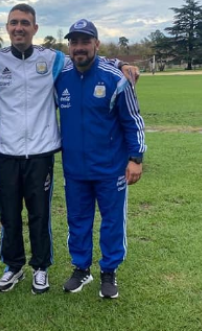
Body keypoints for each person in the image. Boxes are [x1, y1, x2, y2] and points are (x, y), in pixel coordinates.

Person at [0, 3, 140, 295]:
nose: (19, 27)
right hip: (6, 154)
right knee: (8, 215)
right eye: (13, 23)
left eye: (25, 23)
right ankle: (13, 266)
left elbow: (85, 56)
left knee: (39, 214)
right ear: (7, 28)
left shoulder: (54, 59)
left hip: (41, 153)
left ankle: (41, 268)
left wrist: (121, 63)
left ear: (35, 28)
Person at [56, 19, 146, 299]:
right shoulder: (60, 75)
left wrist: (136, 158)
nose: (79, 47)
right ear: (69, 46)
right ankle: (81, 268)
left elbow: (133, 120)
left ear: (96, 44)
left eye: (85, 41)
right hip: (75, 169)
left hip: (110, 168)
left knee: (111, 221)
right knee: (78, 220)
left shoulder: (116, 77)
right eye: (74, 42)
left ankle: (109, 271)